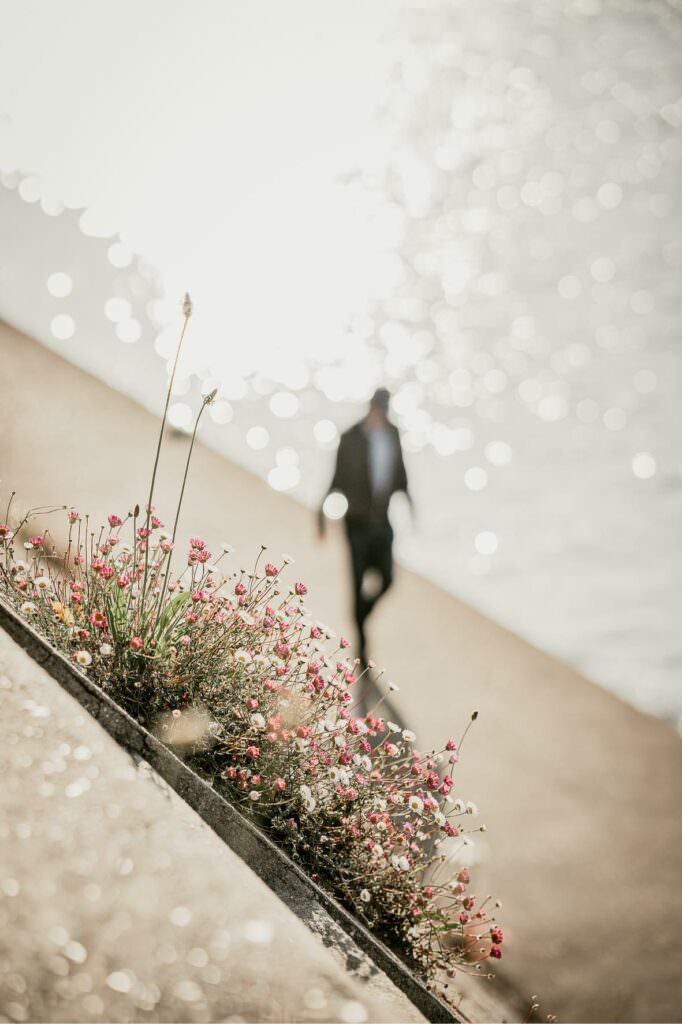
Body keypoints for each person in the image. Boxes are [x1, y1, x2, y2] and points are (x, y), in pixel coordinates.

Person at [318, 388, 411, 670]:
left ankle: (363, 614)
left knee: (388, 579)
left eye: (385, 408)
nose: (381, 412)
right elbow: (334, 479)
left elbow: (401, 473)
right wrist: (320, 515)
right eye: (378, 407)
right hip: (356, 524)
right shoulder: (350, 437)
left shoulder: (393, 434)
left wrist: (410, 502)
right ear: (371, 407)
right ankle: (361, 642)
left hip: (382, 522)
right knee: (356, 584)